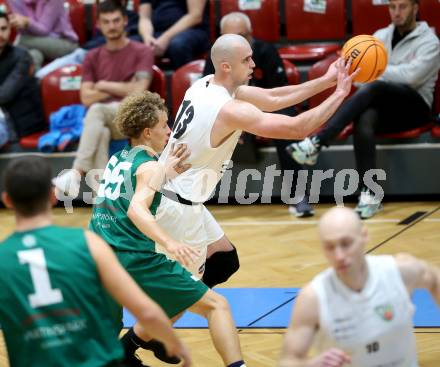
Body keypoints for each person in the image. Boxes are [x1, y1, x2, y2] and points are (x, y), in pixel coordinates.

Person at [155, 33, 356, 286]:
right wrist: (339, 94)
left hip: (173, 194)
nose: (253, 65)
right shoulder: (229, 110)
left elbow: (273, 99)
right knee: (186, 292)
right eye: (247, 60)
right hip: (176, 206)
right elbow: (297, 128)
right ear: (227, 66)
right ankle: (148, 324)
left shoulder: (204, 84)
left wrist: (326, 80)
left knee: (224, 260)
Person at [89, 91, 247, 367]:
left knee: (105, 338)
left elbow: (129, 191)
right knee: (217, 305)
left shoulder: (119, 158)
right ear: (148, 132)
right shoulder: (149, 167)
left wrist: (166, 174)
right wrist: (170, 244)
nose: (170, 131)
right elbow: (136, 207)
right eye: (165, 125)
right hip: (132, 258)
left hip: (96, 255)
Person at [0, 155, 191, 367]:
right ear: (52, 196)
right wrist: (175, 344)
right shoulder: (89, 243)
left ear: (7, 200)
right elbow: (146, 310)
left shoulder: (3, 258)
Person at [285, 0, 440, 219]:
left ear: (415, 8)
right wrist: (376, 74)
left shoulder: (430, 40)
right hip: (383, 107)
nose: (397, 12)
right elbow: (357, 79)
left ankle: (318, 141)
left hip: (416, 108)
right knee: (365, 117)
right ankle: (370, 194)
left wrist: (376, 71)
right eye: (392, 7)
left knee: (376, 87)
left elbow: (411, 78)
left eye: (403, 6)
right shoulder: (379, 36)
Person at [278, 206, 440, 366]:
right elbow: (287, 361)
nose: (339, 256)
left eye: (346, 244)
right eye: (330, 247)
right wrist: (312, 364)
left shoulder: (400, 272)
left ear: (364, 235)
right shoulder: (313, 298)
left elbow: (434, 279)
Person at [203, 12, 314, 217]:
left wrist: (248, 115)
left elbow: (278, 93)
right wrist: (235, 117)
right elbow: (208, 94)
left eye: (240, 36)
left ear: (250, 35)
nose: (233, 43)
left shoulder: (265, 51)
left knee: (286, 118)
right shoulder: (217, 55)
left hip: (263, 108)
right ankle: (184, 194)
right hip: (228, 110)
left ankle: (297, 194)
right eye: (227, 38)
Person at [53, 0, 154, 197]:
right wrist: (121, 87)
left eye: (116, 20)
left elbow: (139, 90)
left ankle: (76, 172)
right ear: (98, 25)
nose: (112, 26)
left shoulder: (143, 51)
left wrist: (102, 85)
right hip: (103, 120)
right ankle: (104, 198)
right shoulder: (92, 56)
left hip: (132, 117)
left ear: (125, 21)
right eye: (106, 22)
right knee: (100, 130)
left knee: (97, 110)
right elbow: (86, 97)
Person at [0, 11, 45, 147]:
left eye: (3, 29)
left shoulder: (22, 57)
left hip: (18, 123)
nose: (0, 34)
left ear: (10, 29)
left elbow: (4, 95)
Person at [7, 0, 79, 71]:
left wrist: (27, 22)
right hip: (34, 43)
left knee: (21, 40)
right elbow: (22, 31)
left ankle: (7, 60)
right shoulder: (15, 1)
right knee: (34, 55)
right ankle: (34, 81)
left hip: (64, 43)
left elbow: (44, 30)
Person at [138, 0, 210, 69]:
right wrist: (147, 37)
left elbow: (195, 16)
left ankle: (185, 80)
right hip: (156, 32)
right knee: (131, 45)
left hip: (192, 30)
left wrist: (165, 38)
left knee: (178, 45)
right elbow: (144, 18)